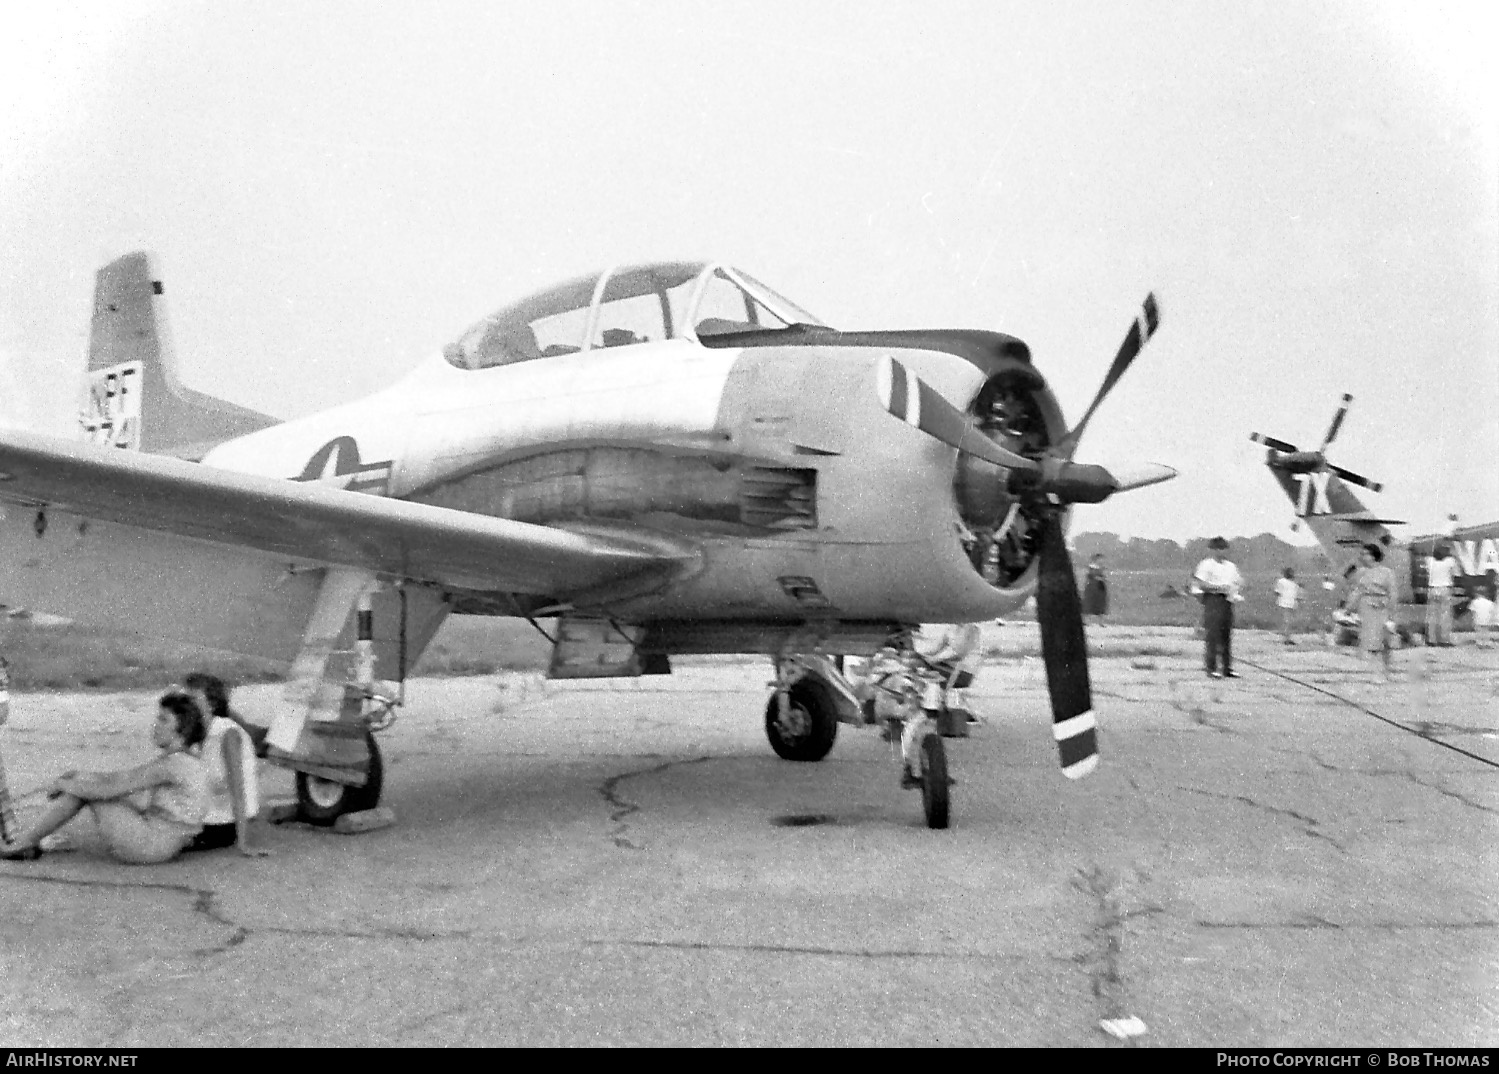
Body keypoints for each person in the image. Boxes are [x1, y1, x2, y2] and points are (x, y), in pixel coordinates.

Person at [1, 692, 208, 863]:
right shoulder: (181, 760)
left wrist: (65, 784)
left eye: (164, 720)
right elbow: (122, 778)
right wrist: (81, 775)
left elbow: (108, 790)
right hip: (161, 841)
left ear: (183, 728)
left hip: (152, 845)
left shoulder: (174, 765)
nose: (156, 725)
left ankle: (25, 843)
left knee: (87, 792)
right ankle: (29, 840)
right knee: (85, 786)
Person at [183, 673, 268, 857]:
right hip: (207, 815)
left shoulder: (228, 734)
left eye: (192, 699)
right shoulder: (200, 734)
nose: (186, 706)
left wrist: (243, 843)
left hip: (223, 823)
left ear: (212, 704)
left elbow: (238, 789)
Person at [1192, 537, 1244, 679]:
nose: (1221, 551)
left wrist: (1235, 590)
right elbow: (1201, 584)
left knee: (1226, 634)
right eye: (1218, 549)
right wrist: (1218, 587)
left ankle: (1227, 668)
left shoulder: (1231, 566)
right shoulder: (1206, 565)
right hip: (1213, 599)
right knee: (1213, 634)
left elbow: (1238, 581)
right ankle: (1211, 667)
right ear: (1212, 550)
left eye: (1223, 548)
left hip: (1227, 600)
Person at [1350, 543, 1399, 680]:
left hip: (1382, 607)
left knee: (1385, 641)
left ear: (1372, 556)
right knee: (1372, 642)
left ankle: (1386, 670)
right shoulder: (1361, 573)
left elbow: (1393, 593)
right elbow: (1357, 591)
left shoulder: (1387, 572)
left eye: (1364, 554)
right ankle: (1377, 673)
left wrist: (1391, 612)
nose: (1362, 556)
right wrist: (1347, 609)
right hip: (1367, 608)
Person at [1424, 544, 1457, 647]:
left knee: (1432, 615)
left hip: (1432, 588)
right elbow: (1455, 570)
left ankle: (1431, 638)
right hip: (1445, 588)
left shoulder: (1430, 561)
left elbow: (1428, 555)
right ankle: (1444, 639)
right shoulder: (1449, 562)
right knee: (1445, 615)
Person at [1274, 567, 1302, 645]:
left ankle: (1286, 637)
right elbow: (1297, 595)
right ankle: (1287, 637)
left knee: (1286, 621)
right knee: (1289, 621)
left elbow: (1277, 592)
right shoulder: (1294, 584)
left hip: (1283, 603)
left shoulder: (1281, 581)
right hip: (1292, 604)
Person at [1081, 555, 1109, 626]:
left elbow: (1104, 577)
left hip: (1100, 588)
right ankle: (1087, 621)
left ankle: (1101, 622)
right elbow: (1090, 576)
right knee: (1089, 605)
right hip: (1093, 587)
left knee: (1101, 605)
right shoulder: (1092, 567)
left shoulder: (1101, 568)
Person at [1469, 584, 1495, 649]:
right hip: (1487, 619)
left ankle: (1479, 643)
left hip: (1477, 619)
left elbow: (1472, 611)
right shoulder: (1490, 603)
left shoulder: (1474, 602)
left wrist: (1472, 619)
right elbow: (1492, 612)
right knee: (1486, 632)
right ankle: (1486, 642)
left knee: (1479, 632)